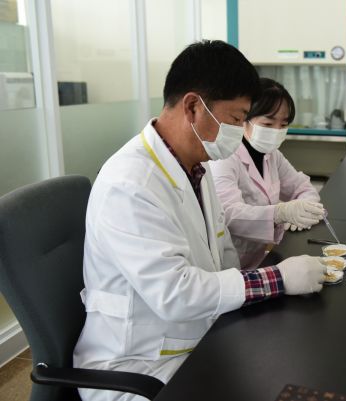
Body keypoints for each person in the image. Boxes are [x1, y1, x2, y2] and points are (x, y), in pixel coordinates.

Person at [73, 41, 326, 401]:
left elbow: (222, 252)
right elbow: (175, 294)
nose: (239, 131)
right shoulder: (129, 185)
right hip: (141, 365)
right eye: (236, 119)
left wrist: (252, 293)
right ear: (193, 106)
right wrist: (277, 279)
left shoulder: (195, 167)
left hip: (198, 337)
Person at [209, 78, 325, 269]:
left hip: (259, 258)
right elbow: (229, 214)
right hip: (229, 265)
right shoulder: (225, 157)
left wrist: (303, 211)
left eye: (283, 124)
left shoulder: (272, 155)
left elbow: (302, 187)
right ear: (244, 120)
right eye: (268, 124)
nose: (276, 131)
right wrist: (280, 213)